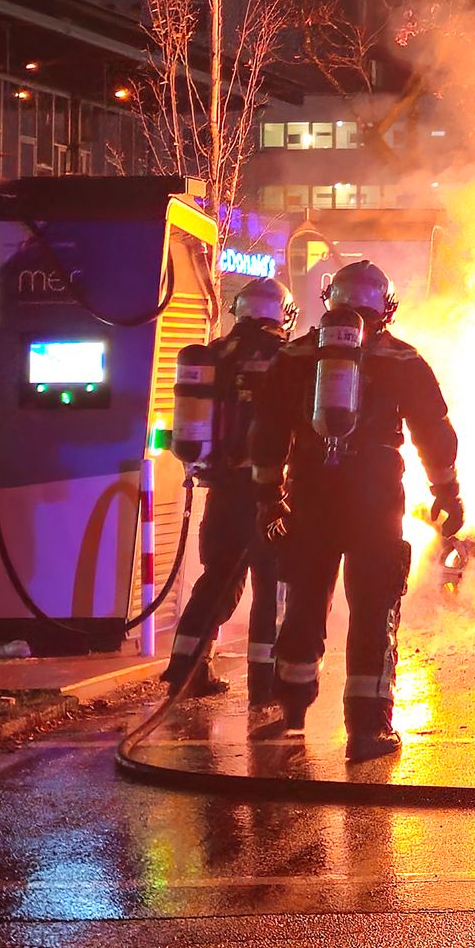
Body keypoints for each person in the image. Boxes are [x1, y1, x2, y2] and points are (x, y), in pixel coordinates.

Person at [263, 260, 462, 750]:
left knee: (305, 596)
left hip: (309, 493)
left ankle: (291, 705)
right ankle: (368, 728)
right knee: (374, 606)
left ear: (330, 299)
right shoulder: (403, 359)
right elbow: (433, 434)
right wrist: (447, 492)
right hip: (375, 499)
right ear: (386, 308)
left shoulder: (294, 355)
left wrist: (270, 495)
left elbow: (266, 431)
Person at [163, 275, 296, 698]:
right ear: (283, 315)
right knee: (270, 585)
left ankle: (185, 669)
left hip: (220, 491)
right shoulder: (287, 357)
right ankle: (265, 683)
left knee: (217, 578)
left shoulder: (214, 354)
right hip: (270, 494)